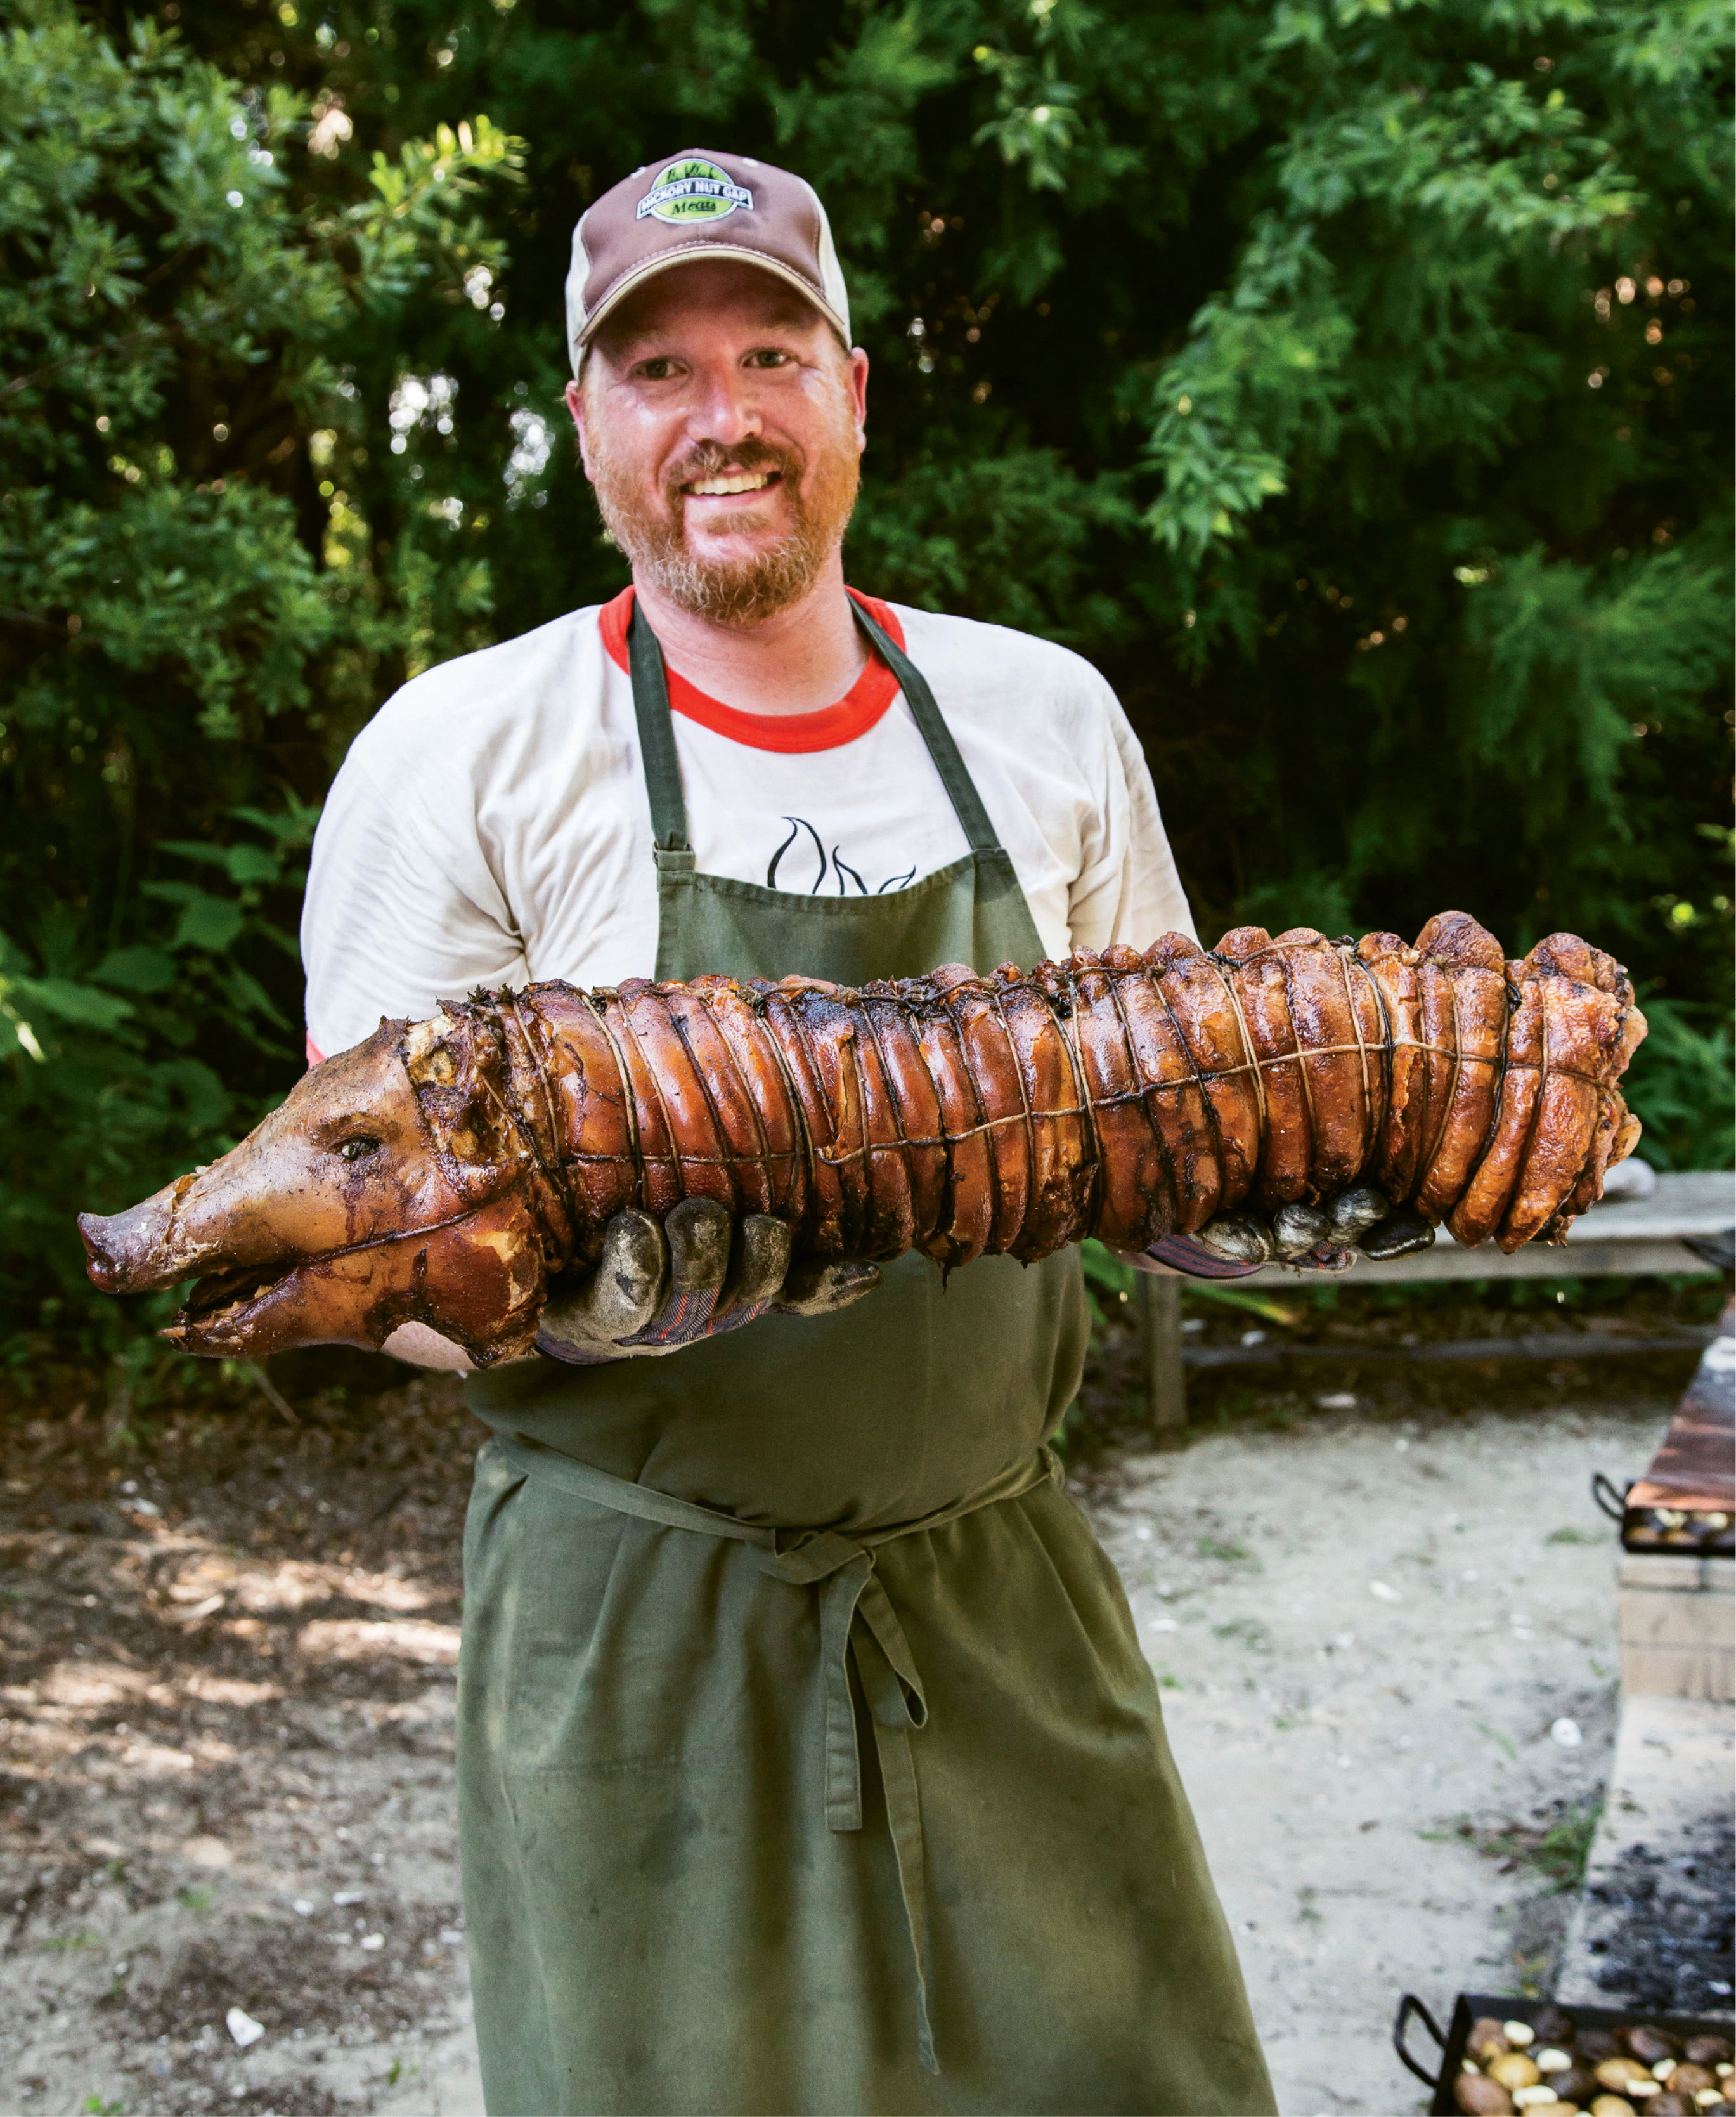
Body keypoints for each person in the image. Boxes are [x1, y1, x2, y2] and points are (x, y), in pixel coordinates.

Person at [301, 148, 1274, 2117]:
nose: (719, 415)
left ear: (852, 387)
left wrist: (1292, 1193)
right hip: (642, 1629)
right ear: (585, 421)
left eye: (768, 350)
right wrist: (574, 1313)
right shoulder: (464, 756)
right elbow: (363, 1264)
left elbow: (1173, 1133)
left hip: (998, 1592)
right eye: (655, 370)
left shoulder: (1042, 717)